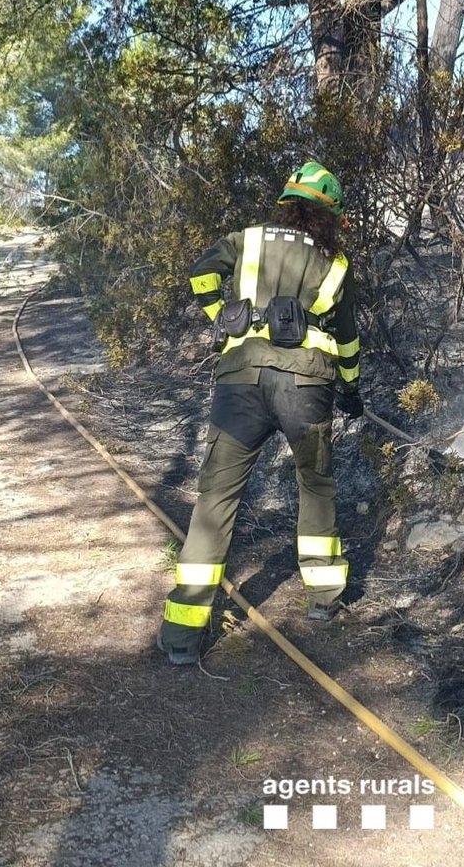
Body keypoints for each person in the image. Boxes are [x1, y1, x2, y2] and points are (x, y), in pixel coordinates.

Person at [157, 161, 364, 665]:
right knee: (314, 486)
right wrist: (353, 389)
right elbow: (347, 335)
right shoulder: (336, 264)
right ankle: (323, 600)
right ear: (330, 214)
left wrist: (226, 319)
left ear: (287, 202)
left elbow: (202, 275)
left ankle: (184, 634)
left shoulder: (244, 238)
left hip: (241, 384)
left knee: (216, 498)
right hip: (307, 386)